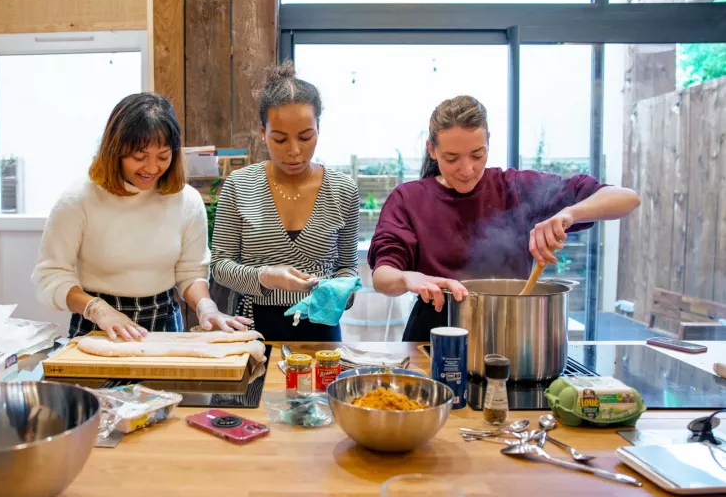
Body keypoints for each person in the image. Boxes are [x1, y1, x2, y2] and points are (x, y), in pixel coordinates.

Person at [369, 95, 641, 342]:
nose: (467, 169)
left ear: (489, 143)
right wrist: (407, 278)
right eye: (451, 158)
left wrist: (569, 213)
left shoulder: (518, 187)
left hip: (513, 334)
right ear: (432, 150)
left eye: (478, 154)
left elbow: (627, 198)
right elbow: (382, 276)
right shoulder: (408, 198)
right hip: (433, 336)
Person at [32, 92, 250, 340]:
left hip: (164, 322)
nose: (151, 168)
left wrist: (206, 307)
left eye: (163, 157)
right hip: (97, 328)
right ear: (115, 151)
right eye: (139, 157)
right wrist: (98, 310)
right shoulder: (79, 198)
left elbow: (191, 273)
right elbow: (50, 275)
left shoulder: (186, 200)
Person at [210, 61, 360, 342]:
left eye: (306, 137)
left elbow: (347, 266)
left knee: (319, 386)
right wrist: (267, 276)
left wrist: (341, 292)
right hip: (252, 325)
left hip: (321, 323)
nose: (294, 151)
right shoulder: (239, 186)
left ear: (319, 128)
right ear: (262, 132)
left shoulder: (342, 189)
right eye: (279, 139)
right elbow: (220, 265)